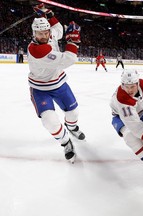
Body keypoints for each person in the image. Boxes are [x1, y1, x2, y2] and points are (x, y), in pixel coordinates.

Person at [27, 3, 85, 163]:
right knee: (50, 121)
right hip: (40, 89)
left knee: (73, 113)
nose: (45, 35)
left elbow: (58, 29)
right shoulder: (37, 50)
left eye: (46, 32)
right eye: (40, 33)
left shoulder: (49, 34)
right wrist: (73, 41)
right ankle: (66, 142)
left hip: (58, 83)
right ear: (34, 33)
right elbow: (69, 59)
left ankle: (72, 127)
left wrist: (50, 14)